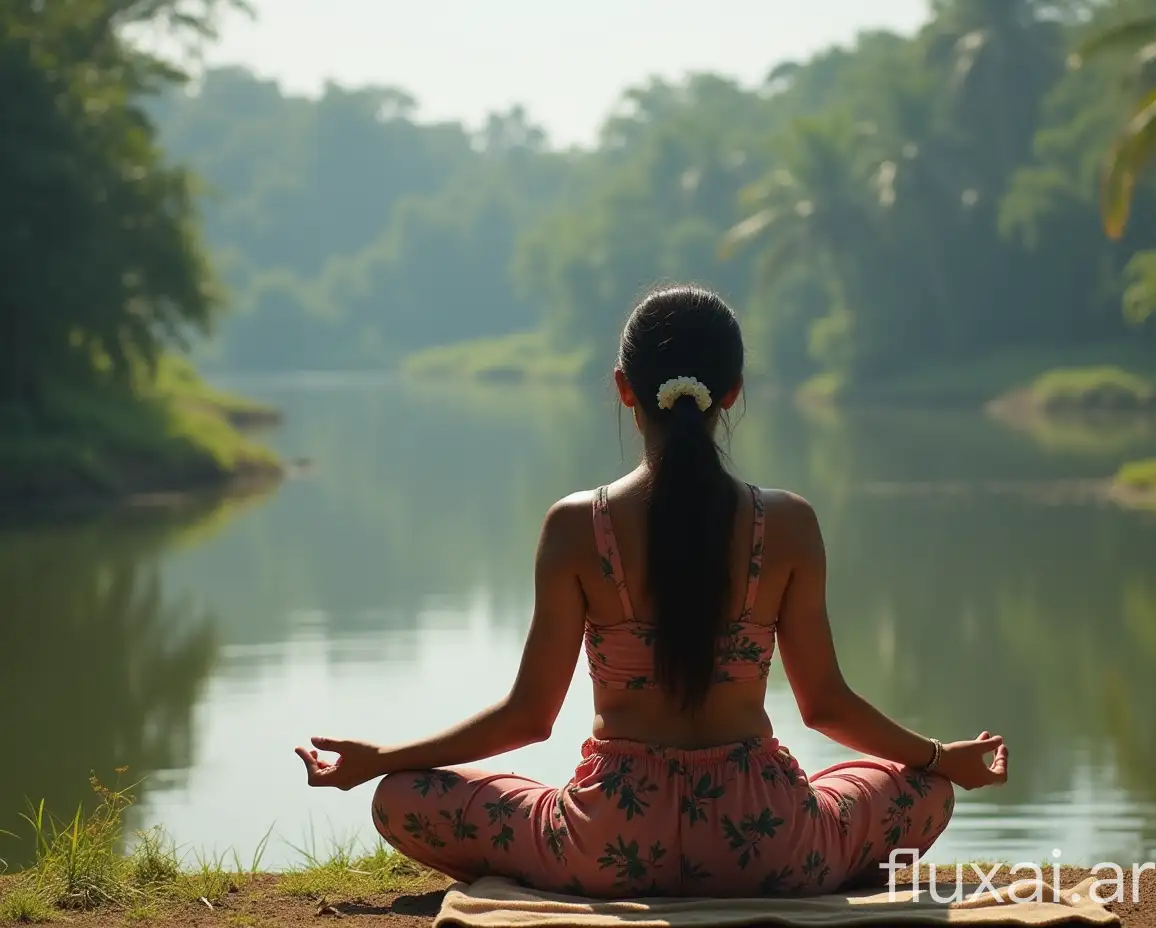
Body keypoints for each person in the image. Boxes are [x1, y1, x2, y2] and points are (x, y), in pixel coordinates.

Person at [294, 285, 1009, 898]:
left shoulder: (578, 527)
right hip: (763, 845)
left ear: (623, 388)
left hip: (611, 843)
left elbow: (527, 718)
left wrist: (381, 761)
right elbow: (824, 705)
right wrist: (944, 757)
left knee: (401, 800)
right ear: (732, 393)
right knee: (922, 789)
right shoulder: (786, 524)